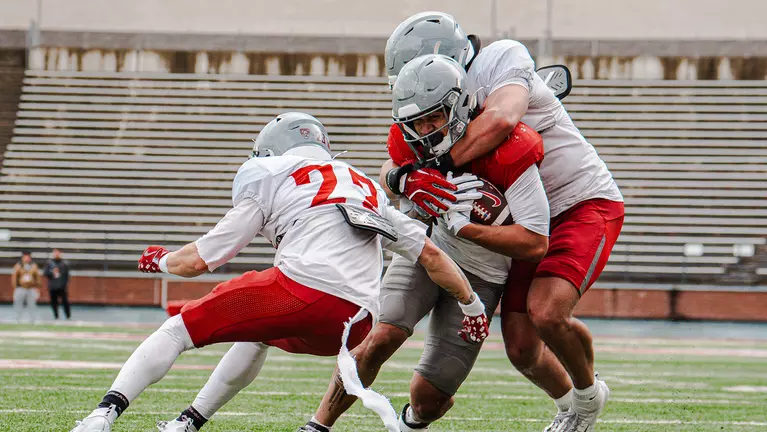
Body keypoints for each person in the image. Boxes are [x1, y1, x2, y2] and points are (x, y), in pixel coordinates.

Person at [156, 56, 550, 432]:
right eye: (418, 121)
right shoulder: (407, 142)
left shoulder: (512, 148)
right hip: (427, 251)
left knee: (428, 398)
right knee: (381, 335)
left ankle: (415, 419)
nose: (427, 130)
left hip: (483, 271)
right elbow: (389, 185)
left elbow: (534, 242)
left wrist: (467, 231)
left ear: (460, 105)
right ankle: (319, 424)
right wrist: (401, 179)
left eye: (436, 116)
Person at [69, 112, 490, 432]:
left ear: (270, 150)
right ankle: (188, 422)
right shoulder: (365, 186)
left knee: (177, 330)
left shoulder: (272, 174)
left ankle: (102, 414)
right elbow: (432, 256)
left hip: (301, 291)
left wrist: (159, 259)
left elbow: (197, 262)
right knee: (259, 334)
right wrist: (472, 308)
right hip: (358, 321)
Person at [381, 12, 625, 432]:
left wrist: (432, 168)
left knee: (547, 312)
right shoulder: (438, 107)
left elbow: (502, 119)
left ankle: (586, 401)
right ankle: (573, 398)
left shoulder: (500, 59)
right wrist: (399, 175)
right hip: (522, 215)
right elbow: (396, 164)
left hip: (578, 203)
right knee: (521, 346)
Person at [11, 251, 42, 323]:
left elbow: (37, 277)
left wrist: (37, 287)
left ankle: (33, 320)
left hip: (31, 288)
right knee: (18, 304)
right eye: (25, 257)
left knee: (32, 305)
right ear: (22, 258)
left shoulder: (34, 266)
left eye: (28, 257)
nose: (27, 258)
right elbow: (14, 277)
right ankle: (17, 320)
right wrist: (15, 287)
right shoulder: (18, 265)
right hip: (20, 287)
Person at [44, 248, 71, 320]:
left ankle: (68, 316)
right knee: (54, 303)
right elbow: (45, 273)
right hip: (53, 286)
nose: (56, 254)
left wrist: (64, 285)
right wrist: (52, 272)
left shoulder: (64, 263)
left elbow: (67, 275)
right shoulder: (49, 263)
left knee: (65, 302)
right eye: (55, 252)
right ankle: (56, 317)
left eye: (58, 252)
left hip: (62, 286)